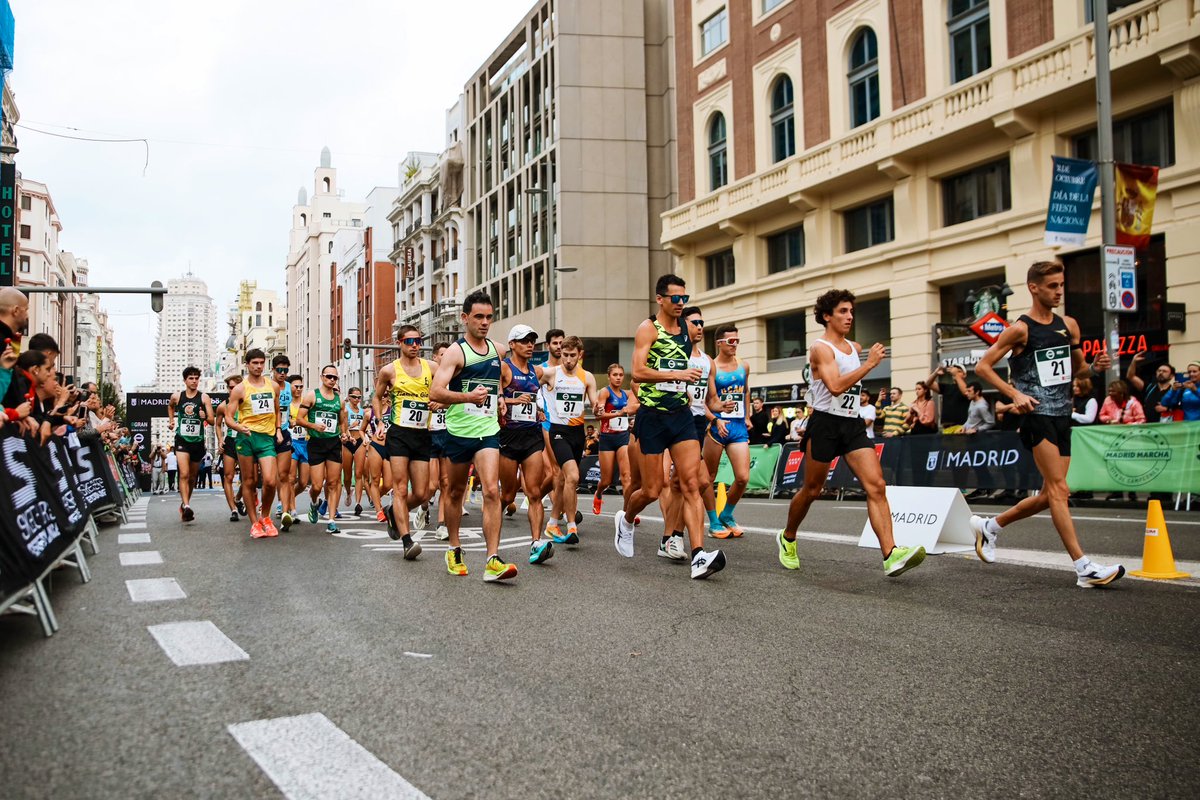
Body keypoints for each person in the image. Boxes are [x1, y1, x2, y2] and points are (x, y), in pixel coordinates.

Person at [970, 260, 1123, 588]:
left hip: (1062, 415)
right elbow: (983, 367)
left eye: (1061, 285)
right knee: (1059, 490)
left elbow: (1078, 371)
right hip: (1035, 415)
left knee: (1048, 494)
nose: (1059, 292)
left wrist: (1095, 368)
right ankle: (1083, 567)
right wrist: (1015, 394)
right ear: (1034, 288)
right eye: (1052, 286)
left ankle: (989, 527)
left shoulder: (1069, 325)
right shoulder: (1020, 329)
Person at [776, 289, 926, 578]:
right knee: (812, 490)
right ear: (827, 316)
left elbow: (849, 365)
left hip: (852, 423)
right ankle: (788, 536)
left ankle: (891, 554)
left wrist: (862, 359)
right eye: (843, 311)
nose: (849, 316)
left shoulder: (853, 348)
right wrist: (869, 365)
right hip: (825, 424)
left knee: (876, 485)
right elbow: (834, 386)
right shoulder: (820, 349)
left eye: (851, 311)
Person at [613, 274, 726, 580]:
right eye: (675, 298)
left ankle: (699, 555)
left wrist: (706, 401)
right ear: (660, 299)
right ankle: (626, 519)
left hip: (680, 415)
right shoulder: (648, 328)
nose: (680, 304)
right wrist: (674, 376)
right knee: (650, 489)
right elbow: (637, 372)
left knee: (692, 483)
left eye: (684, 299)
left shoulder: (687, 333)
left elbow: (685, 372)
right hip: (652, 416)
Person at [430, 290, 518, 582]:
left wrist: (501, 396)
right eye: (478, 317)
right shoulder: (456, 352)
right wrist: (468, 396)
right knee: (454, 492)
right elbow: (436, 391)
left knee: (492, 490)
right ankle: (454, 548)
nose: (484, 322)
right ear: (464, 318)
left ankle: (492, 559)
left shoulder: (498, 350)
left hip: (487, 431)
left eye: (489, 317)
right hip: (457, 431)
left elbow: (500, 379)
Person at [372, 324, 435, 559]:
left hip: (421, 434)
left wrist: (440, 401)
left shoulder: (431, 367)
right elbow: (376, 398)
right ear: (399, 343)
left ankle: (392, 512)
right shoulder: (390, 371)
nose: (415, 345)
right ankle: (407, 541)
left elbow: (445, 387)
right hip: (399, 434)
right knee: (400, 488)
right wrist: (380, 422)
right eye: (410, 341)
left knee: (421, 493)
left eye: (418, 341)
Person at [498, 323, 553, 564]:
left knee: (534, 493)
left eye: (532, 340)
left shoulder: (537, 372)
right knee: (508, 494)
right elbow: (493, 397)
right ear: (512, 344)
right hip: (508, 437)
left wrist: (538, 411)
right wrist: (511, 401)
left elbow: (534, 399)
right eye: (524, 340)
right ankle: (493, 526)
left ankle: (536, 543)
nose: (530, 345)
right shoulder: (503, 368)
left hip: (531, 436)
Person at [538, 334, 599, 543]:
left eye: (573, 355)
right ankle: (572, 527)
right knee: (573, 476)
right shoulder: (551, 374)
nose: (568, 360)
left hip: (577, 433)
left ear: (580, 355)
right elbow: (529, 379)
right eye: (565, 355)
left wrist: (598, 407)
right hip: (558, 432)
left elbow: (595, 402)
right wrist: (536, 406)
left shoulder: (587, 377)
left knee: (564, 479)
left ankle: (553, 523)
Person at [224, 348, 282, 539]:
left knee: (270, 480)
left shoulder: (273, 386)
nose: (258, 366)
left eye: (261, 363)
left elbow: (277, 409)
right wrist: (239, 427)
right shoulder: (240, 389)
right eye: (254, 363)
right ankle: (254, 523)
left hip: (266, 438)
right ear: (247, 365)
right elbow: (228, 417)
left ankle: (265, 516)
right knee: (248, 481)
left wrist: (279, 429)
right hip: (246, 438)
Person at [703, 322, 752, 535]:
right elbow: (702, 401)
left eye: (737, 341)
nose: (735, 345)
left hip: (738, 426)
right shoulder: (711, 367)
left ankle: (727, 513)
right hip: (716, 427)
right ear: (719, 343)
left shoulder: (744, 365)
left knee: (742, 478)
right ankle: (713, 520)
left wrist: (748, 416)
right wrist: (714, 419)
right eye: (731, 341)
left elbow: (746, 391)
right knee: (708, 477)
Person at [297, 364, 349, 534]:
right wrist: (313, 425)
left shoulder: (339, 400)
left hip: (333, 443)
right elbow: (298, 419)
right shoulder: (312, 395)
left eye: (335, 378)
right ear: (322, 377)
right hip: (316, 443)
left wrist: (344, 434)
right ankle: (314, 503)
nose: (332, 380)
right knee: (317, 485)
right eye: (328, 376)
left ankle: (331, 520)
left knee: (333, 483)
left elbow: (342, 421)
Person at [167, 366, 213, 521]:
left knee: (192, 477)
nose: (194, 381)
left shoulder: (204, 398)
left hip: (198, 442)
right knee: (184, 474)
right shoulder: (177, 396)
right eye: (191, 378)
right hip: (182, 440)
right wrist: (172, 420)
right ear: (185, 380)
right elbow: (170, 406)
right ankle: (187, 506)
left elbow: (212, 420)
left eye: (196, 378)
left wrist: (204, 416)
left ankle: (185, 503)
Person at [592, 363, 635, 517]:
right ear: (609, 376)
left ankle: (627, 512)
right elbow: (598, 416)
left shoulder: (627, 394)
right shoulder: (605, 392)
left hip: (623, 436)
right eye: (615, 375)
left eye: (620, 375)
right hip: (607, 438)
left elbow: (634, 408)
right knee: (606, 480)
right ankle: (598, 494)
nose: (618, 378)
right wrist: (619, 413)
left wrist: (630, 416)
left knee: (626, 477)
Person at [426, 341, 452, 540]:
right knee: (432, 485)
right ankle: (423, 506)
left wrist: (444, 404)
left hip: (448, 433)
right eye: (442, 354)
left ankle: (441, 524)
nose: (445, 358)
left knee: (446, 483)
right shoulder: (426, 380)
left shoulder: (454, 380)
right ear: (435, 357)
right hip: (429, 435)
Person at [270, 354, 298, 530]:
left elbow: (293, 406)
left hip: (285, 433)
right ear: (273, 370)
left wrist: (293, 420)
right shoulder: (267, 386)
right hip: (267, 433)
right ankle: (269, 507)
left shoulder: (289, 387)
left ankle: (286, 511)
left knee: (286, 475)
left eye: (285, 370)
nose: (282, 373)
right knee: (269, 478)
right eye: (279, 370)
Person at [214, 374, 247, 522]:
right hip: (231, 442)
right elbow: (217, 424)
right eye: (230, 387)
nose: (231, 390)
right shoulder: (223, 405)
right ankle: (233, 509)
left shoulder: (247, 402)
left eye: (234, 387)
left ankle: (238, 498)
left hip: (246, 440)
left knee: (248, 478)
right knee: (228, 476)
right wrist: (220, 440)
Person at [1125, 351, 1176, 422]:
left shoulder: (1174, 390)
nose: (1161, 373)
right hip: (1148, 426)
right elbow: (1130, 376)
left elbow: (1180, 408)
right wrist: (1134, 361)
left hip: (1166, 427)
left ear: (1171, 376)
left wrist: (1167, 409)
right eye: (1159, 371)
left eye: (1164, 371)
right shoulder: (1149, 387)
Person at [343, 386, 368, 514]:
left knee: (358, 474)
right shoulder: (345, 410)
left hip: (359, 442)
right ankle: (348, 492)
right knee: (347, 476)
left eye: (359, 397)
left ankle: (358, 503)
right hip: (347, 442)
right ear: (348, 397)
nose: (356, 399)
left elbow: (365, 427)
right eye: (354, 397)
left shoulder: (363, 412)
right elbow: (341, 426)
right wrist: (349, 426)